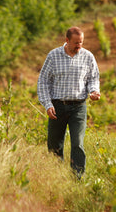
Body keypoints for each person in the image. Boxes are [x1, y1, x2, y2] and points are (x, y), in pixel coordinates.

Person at [37, 26, 101, 179]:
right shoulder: (53, 56)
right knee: (54, 145)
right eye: (76, 43)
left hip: (78, 106)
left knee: (77, 143)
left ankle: (77, 179)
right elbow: (43, 82)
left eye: (81, 42)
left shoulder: (88, 56)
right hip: (57, 106)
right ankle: (55, 177)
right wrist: (48, 104)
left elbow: (93, 78)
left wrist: (93, 91)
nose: (79, 46)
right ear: (67, 41)